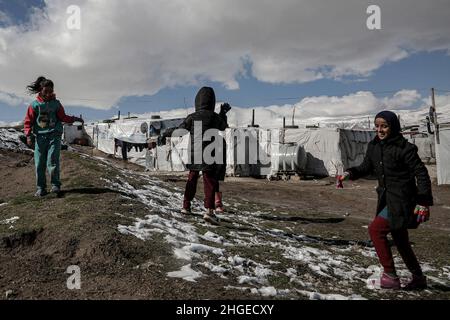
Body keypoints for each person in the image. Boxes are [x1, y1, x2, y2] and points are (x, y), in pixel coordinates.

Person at [337, 110, 433, 290]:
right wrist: (351, 173)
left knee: (376, 230)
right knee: (400, 239)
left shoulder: (405, 148)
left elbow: (421, 174)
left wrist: (423, 201)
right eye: (377, 126)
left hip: (404, 200)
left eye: (384, 126)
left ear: (393, 127)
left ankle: (390, 276)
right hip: (387, 199)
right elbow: (366, 167)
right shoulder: (374, 145)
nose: (380, 130)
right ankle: (418, 277)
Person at [24, 76, 84, 197]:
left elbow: (63, 117)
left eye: (50, 91)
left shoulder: (56, 104)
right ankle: (41, 188)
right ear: (40, 90)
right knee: (40, 162)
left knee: (52, 160)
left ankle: (55, 185)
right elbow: (28, 122)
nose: (48, 94)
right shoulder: (34, 105)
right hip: (40, 138)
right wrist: (28, 135)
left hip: (54, 135)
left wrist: (75, 118)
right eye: (46, 91)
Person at [178, 87, 229, 225]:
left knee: (192, 178)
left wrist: (165, 133)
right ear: (211, 101)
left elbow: (181, 129)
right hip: (209, 153)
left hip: (195, 153)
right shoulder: (214, 117)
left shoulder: (192, 117)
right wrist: (223, 112)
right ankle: (210, 211)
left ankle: (186, 206)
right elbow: (223, 126)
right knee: (209, 182)